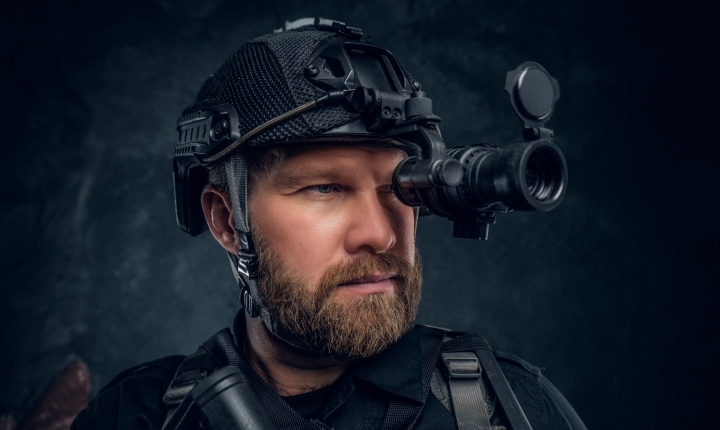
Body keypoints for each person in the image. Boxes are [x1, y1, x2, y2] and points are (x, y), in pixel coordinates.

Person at [71, 18, 585, 430]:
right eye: (326, 188)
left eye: (398, 187)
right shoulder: (136, 415)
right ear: (228, 222)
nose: (380, 234)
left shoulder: (512, 410)